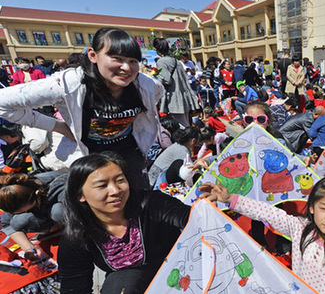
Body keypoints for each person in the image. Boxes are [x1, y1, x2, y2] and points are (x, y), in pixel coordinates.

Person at [0, 28, 163, 190]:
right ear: (93, 55)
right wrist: (58, 126)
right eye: (117, 58)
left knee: (138, 203)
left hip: (131, 156)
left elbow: (157, 94)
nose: (127, 68)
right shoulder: (69, 83)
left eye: (133, 61)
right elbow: (3, 103)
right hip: (90, 160)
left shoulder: (145, 84)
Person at [57, 152, 222, 293]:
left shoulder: (151, 203)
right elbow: (74, 288)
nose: (115, 191)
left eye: (120, 180)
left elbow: (190, 219)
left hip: (181, 271)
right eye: (102, 185)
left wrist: (206, 210)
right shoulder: (77, 235)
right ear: (80, 195)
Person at [201, 176, 325, 294]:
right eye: (323, 208)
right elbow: (267, 212)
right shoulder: (299, 228)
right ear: (312, 208)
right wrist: (230, 199)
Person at [0, 170, 67, 261]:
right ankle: (55, 227)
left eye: (27, 210)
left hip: (68, 207)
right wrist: (28, 248)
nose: (26, 212)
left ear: (37, 194)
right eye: (21, 212)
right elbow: (7, 224)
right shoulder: (13, 196)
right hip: (45, 211)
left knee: (58, 212)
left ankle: (66, 225)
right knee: (18, 222)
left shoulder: (58, 186)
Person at [154, 38, 200, 127]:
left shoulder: (161, 61)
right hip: (184, 95)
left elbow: (166, 79)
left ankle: (191, 139)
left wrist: (155, 76)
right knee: (186, 122)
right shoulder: (176, 61)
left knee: (182, 126)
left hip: (174, 97)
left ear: (156, 49)